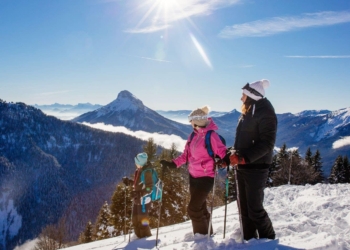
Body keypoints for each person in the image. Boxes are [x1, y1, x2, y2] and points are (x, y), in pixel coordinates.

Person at [160, 106, 227, 236]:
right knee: (200, 207)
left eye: (191, 121)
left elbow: (222, 151)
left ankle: (201, 237)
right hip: (193, 176)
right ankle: (208, 234)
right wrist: (173, 164)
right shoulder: (193, 135)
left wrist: (229, 159)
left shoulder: (211, 135)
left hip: (206, 177)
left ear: (197, 122)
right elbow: (186, 155)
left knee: (193, 208)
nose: (190, 123)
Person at [229, 79, 277, 241]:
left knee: (255, 209)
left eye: (243, 95)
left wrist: (244, 158)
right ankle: (249, 241)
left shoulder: (265, 112)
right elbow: (243, 141)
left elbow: (267, 143)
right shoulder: (249, 112)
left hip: (257, 167)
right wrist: (229, 156)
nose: (241, 98)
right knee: (244, 209)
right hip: (244, 166)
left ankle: (269, 240)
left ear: (251, 96)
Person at [123, 152, 153, 238]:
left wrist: (140, 193)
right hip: (137, 199)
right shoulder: (139, 171)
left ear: (141, 163)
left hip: (144, 201)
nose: (135, 163)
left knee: (142, 221)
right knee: (135, 220)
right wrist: (129, 182)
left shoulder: (147, 172)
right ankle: (138, 237)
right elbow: (138, 184)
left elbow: (149, 188)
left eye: (136, 162)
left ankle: (145, 239)